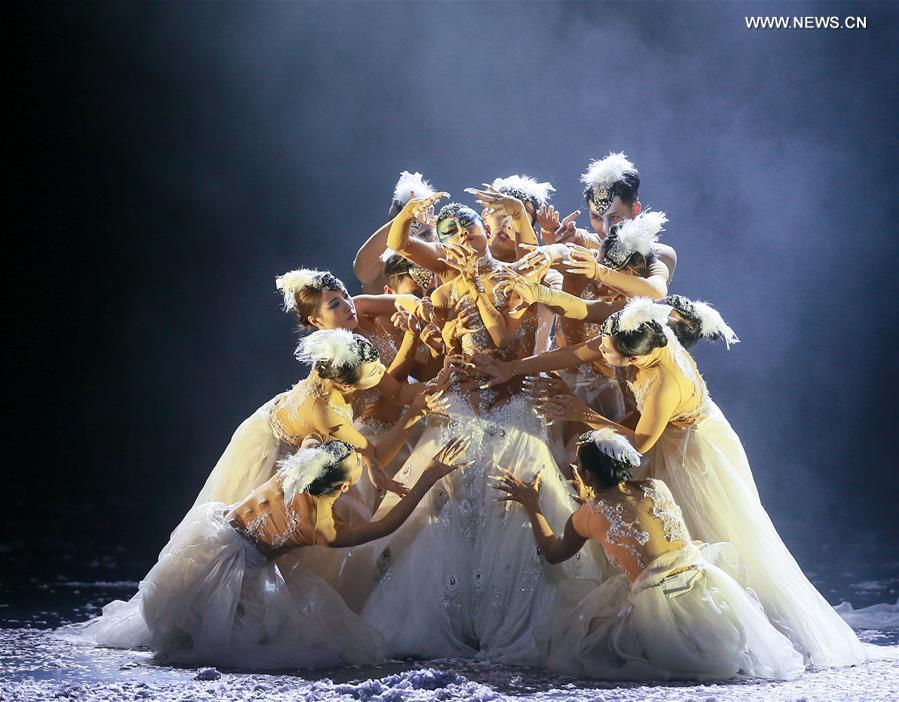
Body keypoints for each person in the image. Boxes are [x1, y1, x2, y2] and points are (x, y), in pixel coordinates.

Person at [527, 298, 868, 667]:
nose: (602, 354)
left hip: (693, 451)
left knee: (715, 527)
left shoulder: (665, 383)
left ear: (637, 359)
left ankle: (731, 625)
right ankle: (676, 614)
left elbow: (640, 444)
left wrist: (583, 414)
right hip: (665, 438)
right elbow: (583, 350)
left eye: (610, 353)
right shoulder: (635, 330)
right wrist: (514, 366)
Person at [361, 204, 609, 664]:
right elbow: (441, 341)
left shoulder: (512, 282)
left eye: (470, 230)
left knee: (508, 512)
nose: (463, 239)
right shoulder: (441, 295)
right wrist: (437, 345)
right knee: (448, 513)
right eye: (451, 235)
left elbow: (498, 342)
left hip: (511, 413)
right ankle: (453, 624)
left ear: (482, 232)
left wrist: (477, 285)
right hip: (461, 411)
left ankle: (507, 624)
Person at [71, 437, 470, 669]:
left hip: (212, 535)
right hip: (236, 568)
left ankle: (185, 624)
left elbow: (313, 441)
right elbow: (384, 526)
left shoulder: (291, 474)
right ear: (342, 489)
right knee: (243, 629)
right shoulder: (322, 526)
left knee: (187, 609)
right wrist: (426, 478)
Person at [494, 428, 805, 681]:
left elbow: (552, 552)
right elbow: (625, 508)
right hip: (705, 589)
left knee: (580, 637)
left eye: (579, 466)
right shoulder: (656, 487)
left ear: (587, 474)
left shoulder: (586, 516)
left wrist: (532, 506)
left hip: (657, 610)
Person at [354, 170, 438, 293]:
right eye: (414, 232)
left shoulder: (444, 265)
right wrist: (407, 215)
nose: (420, 241)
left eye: (426, 234)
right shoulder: (379, 271)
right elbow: (362, 263)